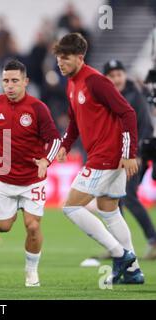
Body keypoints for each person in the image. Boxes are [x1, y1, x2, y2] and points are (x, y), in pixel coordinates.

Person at [54, 33, 143, 284]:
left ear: (80, 58)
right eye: (59, 58)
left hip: (107, 156)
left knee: (70, 206)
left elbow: (128, 113)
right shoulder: (72, 83)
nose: (60, 63)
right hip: (103, 155)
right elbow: (74, 121)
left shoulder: (95, 81)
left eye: (66, 58)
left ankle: (120, 254)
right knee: (109, 210)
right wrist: (65, 144)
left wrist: (129, 153)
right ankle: (134, 270)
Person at [0, 59, 61, 287]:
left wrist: (46, 160)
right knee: (2, 227)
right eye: (5, 81)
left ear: (25, 81)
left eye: (15, 81)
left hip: (32, 180)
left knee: (33, 227)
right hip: (3, 179)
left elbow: (55, 139)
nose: (9, 85)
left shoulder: (37, 108)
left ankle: (31, 271)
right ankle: (14, 209)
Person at [102, 59, 156, 260]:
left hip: (134, 156)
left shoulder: (135, 96)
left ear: (124, 75)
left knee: (129, 197)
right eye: (112, 75)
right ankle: (119, 248)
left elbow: (145, 127)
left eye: (119, 74)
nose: (116, 79)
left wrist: (138, 154)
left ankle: (153, 240)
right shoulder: (106, 96)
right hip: (115, 157)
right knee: (114, 200)